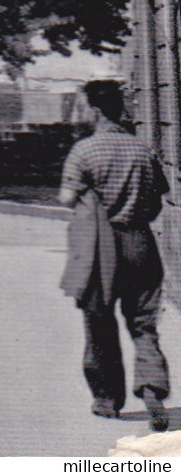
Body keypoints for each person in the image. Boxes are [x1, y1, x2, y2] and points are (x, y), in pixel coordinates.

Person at [60, 79, 171, 431]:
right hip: (140, 241)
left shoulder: (84, 151)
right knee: (143, 322)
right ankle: (152, 383)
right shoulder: (142, 150)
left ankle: (107, 398)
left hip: (100, 246)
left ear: (94, 109)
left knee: (99, 321)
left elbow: (66, 198)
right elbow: (156, 201)